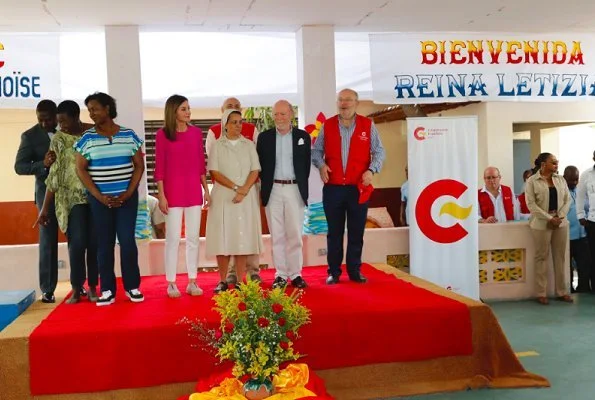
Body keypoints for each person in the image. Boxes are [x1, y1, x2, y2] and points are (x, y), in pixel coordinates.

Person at [75, 92, 145, 306]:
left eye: (95, 108)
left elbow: (139, 166)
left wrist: (128, 193)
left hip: (126, 199)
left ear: (107, 108)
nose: (92, 113)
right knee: (103, 244)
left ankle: (132, 287)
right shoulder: (87, 139)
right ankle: (107, 290)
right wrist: (100, 197)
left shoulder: (128, 135)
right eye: (89, 110)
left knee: (127, 241)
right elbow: (81, 170)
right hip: (100, 201)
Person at [312, 88, 386, 285]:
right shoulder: (327, 126)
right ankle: (333, 273)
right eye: (341, 100)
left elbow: (379, 152)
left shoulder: (367, 125)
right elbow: (316, 151)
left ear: (357, 103)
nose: (344, 103)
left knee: (356, 232)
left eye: (348, 100)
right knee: (334, 233)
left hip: (357, 189)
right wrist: (321, 165)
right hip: (333, 188)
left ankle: (354, 271)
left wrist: (371, 170)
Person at [34, 100, 98, 304]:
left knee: (94, 244)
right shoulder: (59, 141)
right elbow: (54, 176)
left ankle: (94, 287)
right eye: (59, 122)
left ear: (76, 116)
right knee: (77, 243)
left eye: (63, 121)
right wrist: (44, 209)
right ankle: (77, 287)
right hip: (72, 201)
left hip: (96, 197)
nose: (60, 126)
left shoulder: (92, 135)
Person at [155, 95, 210, 298]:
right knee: (173, 239)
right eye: (184, 109)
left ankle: (192, 281)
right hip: (172, 193)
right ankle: (171, 282)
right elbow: (159, 168)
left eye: (188, 108)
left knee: (193, 238)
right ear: (173, 111)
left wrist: (206, 190)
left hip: (193, 192)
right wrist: (161, 195)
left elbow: (200, 165)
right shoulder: (162, 135)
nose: (188, 112)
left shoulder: (196, 133)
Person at [206, 109, 263, 293]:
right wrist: (236, 188)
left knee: (242, 237)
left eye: (240, 122)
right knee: (222, 238)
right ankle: (222, 280)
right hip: (224, 197)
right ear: (225, 124)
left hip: (245, 198)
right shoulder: (217, 145)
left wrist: (244, 189)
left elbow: (255, 169)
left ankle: (240, 280)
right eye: (234, 122)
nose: (239, 125)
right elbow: (214, 171)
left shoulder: (248, 145)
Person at [257, 100, 310, 289]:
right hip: (273, 190)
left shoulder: (303, 137)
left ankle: (296, 274)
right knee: (277, 235)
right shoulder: (264, 138)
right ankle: (280, 274)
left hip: (295, 189)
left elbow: (305, 167)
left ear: (291, 115)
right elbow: (260, 166)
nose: (279, 118)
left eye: (283, 114)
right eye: (276, 114)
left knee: (295, 234)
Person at [14, 100, 59, 303]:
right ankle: (48, 289)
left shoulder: (67, 128)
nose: (43, 123)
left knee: (78, 239)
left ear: (56, 116)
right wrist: (43, 164)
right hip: (45, 196)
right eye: (40, 119)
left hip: (71, 194)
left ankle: (79, 285)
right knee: (48, 242)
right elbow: (19, 167)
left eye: (47, 119)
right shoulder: (29, 136)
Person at [525, 152, 572, 305]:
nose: (556, 164)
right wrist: (549, 218)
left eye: (557, 162)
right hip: (541, 224)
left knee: (560, 257)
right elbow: (531, 205)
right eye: (553, 162)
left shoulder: (561, 179)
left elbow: (568, 199)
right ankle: (541, 292)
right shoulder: (532, 181)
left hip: (561, 223)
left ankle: (561, 291)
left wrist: (560, 217)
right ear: (543, 164)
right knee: (541, 257)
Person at [564, 166, 591, 293]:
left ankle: (584, 287)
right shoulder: (561, 193)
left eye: (576, 180)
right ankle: (569, 289)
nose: (574, 183)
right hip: (567, 236)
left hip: (582, 235)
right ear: (565, 178)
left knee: (584, 264)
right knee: (567, 266)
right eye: (571, 180)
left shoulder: (581, 190)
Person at [576, 151, 595, 291]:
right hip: (592, 221)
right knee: (593, 255)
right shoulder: (586, 174)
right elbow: (580, 196)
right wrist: (580, 215)